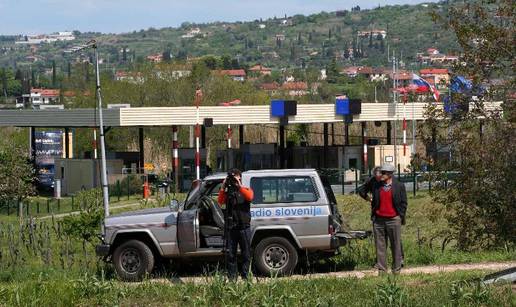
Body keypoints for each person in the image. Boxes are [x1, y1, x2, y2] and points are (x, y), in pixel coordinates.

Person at [217, 168, 254, 280]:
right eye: (232, 178)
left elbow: (250, 197)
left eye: (236, 177)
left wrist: (239, 185)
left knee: (246, 254)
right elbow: (220, 201)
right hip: (231, 228)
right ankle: (232, 278)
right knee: (231, 255)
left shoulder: (246, 190)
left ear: (240, 177)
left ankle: (245, 276)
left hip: (244, 227)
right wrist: (223, 187)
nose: (234, 180)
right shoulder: (228, 193)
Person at [371, 163, 407, 274]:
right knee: (380, 246)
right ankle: (382, 270)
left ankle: (396, 270)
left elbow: (404, 203)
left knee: (395, 245)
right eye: (381, 172)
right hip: (379, 220)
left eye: (383, 172)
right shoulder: (376, 186)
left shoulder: (399, 186)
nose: (381, 174)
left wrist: (399, 216)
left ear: (390, 174)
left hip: (394, 219)